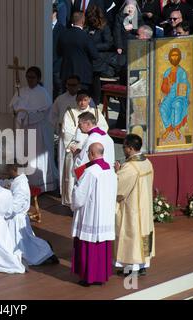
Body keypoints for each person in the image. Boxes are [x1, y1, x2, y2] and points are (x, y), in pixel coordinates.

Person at [71, 143, 117, 286]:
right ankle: (100, 276)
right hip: (105, 215)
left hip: (91, 215)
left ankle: (88, 277)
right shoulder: (110, 170)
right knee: (102, 246)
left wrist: (74, 190)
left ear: (91, 153)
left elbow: (80, 196)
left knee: (88, 245)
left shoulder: (91, 171)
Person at [9, 66, 59, 192]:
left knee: (36, 157)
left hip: (36, 130)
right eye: (28, 77)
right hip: (23, 130)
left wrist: (26, 116)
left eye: (32, 77)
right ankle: (24, 183)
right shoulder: (21, 91)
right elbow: (12, 107)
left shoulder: (42, 93)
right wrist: (16, 112)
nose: (30, 80)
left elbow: (43, 112)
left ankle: (40, 185)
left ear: (38, 78)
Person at [114, 134, 155, 276]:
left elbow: (118, 189)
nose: (123, 149)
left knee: (133, 236)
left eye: (124, 146)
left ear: (131, 148)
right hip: (145, 208)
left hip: (133, 209)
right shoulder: (147, 162)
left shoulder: (130, 167)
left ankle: (133, 268)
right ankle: (143, 265)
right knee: (145, 235)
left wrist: (117, 172)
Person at [59, 90, 108, 206]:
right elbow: (67, 132)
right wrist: (74, 147)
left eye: (85, 100)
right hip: (76, 150)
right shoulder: (70, 113)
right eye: (80, 100)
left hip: (93, 151)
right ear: (76, 100)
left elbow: (104, 128)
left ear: (89, 100)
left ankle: (90, 200)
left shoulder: (96, 112)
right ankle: (73, 202)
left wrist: (93, 139)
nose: (82, 103)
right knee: (74, 177)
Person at [5, 164, 58, 266]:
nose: (8, 171)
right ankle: (45, 250)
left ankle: (46, 250)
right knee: (25, 242)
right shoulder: (19, 179)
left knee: (26, 243)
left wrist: (2, 210)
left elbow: (15, 206)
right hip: (17, 218)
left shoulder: (21, 185)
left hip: (17, 219)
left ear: (15, 170)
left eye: (9, 169)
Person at [57, 11, 99, 93]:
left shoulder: (63, 34)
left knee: (67, 100)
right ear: (83, 21)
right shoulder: (85, 37)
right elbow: (95, 55)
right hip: (82, 76)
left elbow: (59, 52)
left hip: (66, 74)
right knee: (80, 102)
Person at [159, 47, 190, 141]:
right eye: (172, 55)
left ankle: (176, 129)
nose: (174, 57)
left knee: (176, 105)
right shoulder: (167, 72)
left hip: (180, 96)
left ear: (179, 57)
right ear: (169, 58)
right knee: (163, 107)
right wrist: (168, 84)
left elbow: (183, 88)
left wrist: (179, 96)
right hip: (170, 96)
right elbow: (164, 89)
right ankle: (168, 129)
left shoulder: (182, 72)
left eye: (176, 55)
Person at [85, 5, 114, 105]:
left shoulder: (104, 27)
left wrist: (93, 46)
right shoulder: (88, 26)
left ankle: (96, 102)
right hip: (87, 58)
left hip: (99, 59)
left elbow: (108, 44)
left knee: (95, 80)